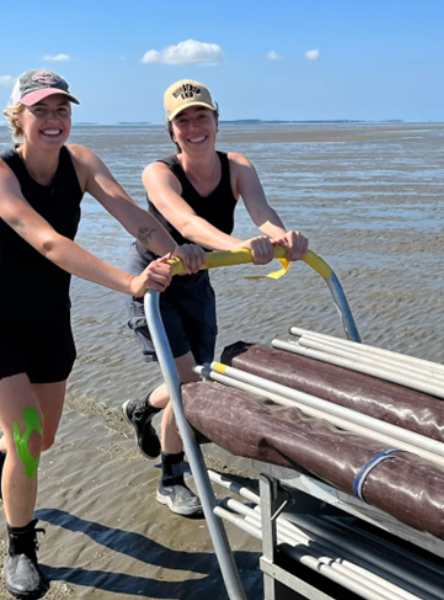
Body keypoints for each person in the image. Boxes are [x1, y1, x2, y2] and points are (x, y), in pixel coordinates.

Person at [0, 69, 205, 598]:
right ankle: (21, 548)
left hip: (47, 316)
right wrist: (130, 282)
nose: (52, 120)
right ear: (17, 118)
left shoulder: (82, 162)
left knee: (39, 440)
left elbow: (131, 213)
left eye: (61, 110)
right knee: (27, 437)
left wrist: (172, 248)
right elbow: (46, 241)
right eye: (40, 110)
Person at [121, 79, 309, 517]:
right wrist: (238, 247)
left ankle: (141, 408)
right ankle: (171, 478)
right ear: (172, 131)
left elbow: (261, 212)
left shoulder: (238, 165)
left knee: (196, 376)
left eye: (201, 116)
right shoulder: (159, 173)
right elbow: (184, 222)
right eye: (182, 120)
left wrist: (281, 238)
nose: (194, 127)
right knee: (187, 387)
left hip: (201, 277)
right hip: (158, 281)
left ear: (217, 121)